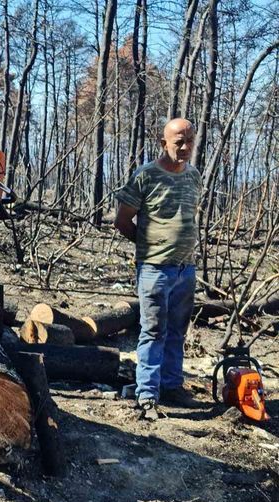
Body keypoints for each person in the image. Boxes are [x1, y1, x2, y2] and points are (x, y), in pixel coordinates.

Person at [114, 118, 201, 420]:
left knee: (177, 331)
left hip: (185, 269)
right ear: (163, 143)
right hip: (154, 269)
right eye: (179, 141)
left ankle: (172, 386)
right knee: (153, 331)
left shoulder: (193, 176)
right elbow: (122, 220)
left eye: (190, 139)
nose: (186, 146)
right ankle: (147, 396)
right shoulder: (146, 176)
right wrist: (149, 247)